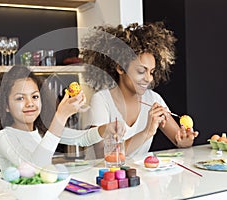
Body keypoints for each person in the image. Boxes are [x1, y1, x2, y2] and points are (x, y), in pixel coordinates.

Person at [0, 66, 123, 172]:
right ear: (5, 106)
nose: (30, 103)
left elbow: (82, 139)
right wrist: (60, 116)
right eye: (20, 98)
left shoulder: (43, 131)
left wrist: (105, 129)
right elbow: (34, 167)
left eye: (35, 96)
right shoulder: (4, 137)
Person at [81, 22, 199, 159]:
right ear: (120, 68)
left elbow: (178, 139)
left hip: (137, 177)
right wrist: (147, 132)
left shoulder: (154, 99)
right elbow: (104, 155)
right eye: (141, 71)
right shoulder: (102, 100)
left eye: (152, 72)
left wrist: (185, 141)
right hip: (102, 177)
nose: (148, 79)